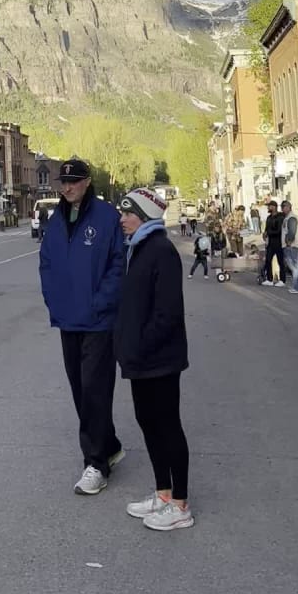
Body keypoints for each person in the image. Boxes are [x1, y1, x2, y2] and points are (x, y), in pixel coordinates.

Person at [39, 158, 125, 496]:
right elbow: (46, 262)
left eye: (74, 181)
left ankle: (96, 464)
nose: (67, 187)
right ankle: (111, 445)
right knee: (79, 388)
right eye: (64, 181)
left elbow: (118, 263)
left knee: (95, 388)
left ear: (88, 182)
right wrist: (52, 299)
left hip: (98, 320)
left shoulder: (106, 218)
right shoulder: (56, 219)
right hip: (67, 319)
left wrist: (101, 302)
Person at [115, 188, 193, 531]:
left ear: (145, 215)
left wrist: (141, 347)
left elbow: (167, 313)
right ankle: (162, 493)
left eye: (128, 213)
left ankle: (180, 504)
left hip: (159, 358)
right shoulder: (138, 248)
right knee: (148, 423)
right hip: (140, 359)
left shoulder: (160, 250)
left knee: (168, 427)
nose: (122, 219)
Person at [281, 200, 298, 293]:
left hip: (291, 245)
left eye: (285, 206)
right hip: (291, 245)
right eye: (282, 207)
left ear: (289, 207)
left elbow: (292, 231)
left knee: (295, 266)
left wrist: (288, 242)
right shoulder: (287, 217)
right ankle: (297, 286)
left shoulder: (291, 218)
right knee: (294, 267)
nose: (283, 208)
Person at [262, 200, 285, 287]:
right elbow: (266, 228)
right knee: (268, 260)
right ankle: (269, 279)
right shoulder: (269, 218)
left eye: (269, 206)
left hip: (278, 242)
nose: (268, 208)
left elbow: (279, 230)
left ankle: (282, 280)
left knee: (280, 261)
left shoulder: (280, 217)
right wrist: (265, 233)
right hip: (270, 242)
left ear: (274, 207)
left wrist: (269, 233)